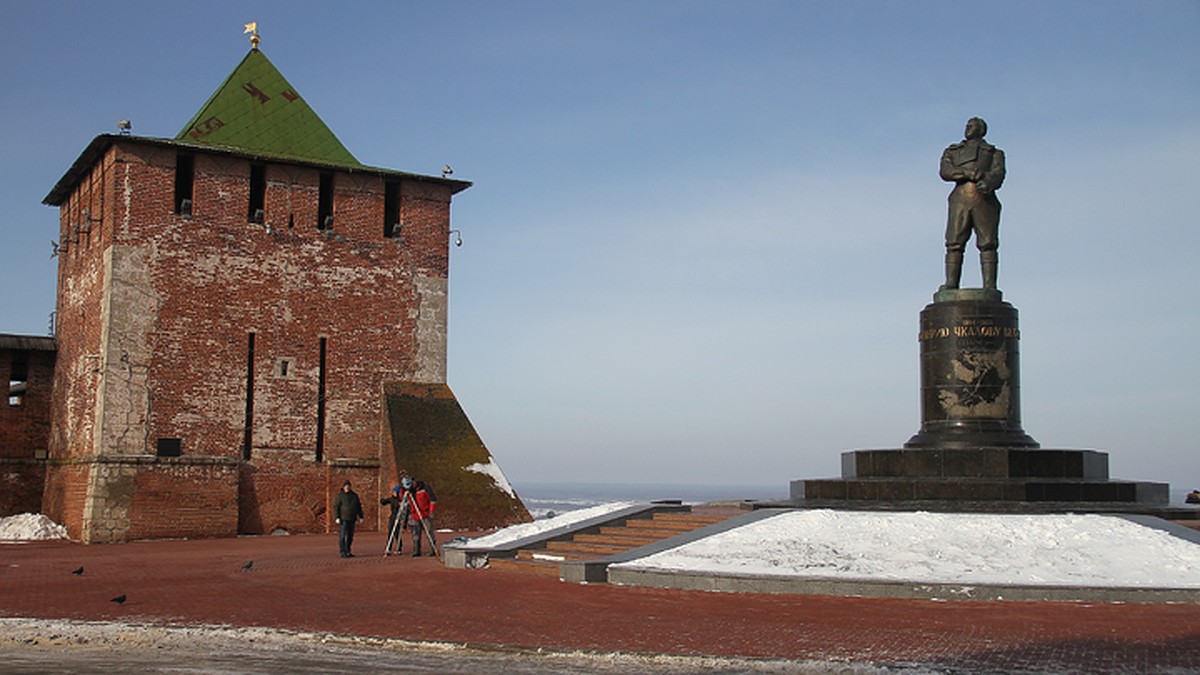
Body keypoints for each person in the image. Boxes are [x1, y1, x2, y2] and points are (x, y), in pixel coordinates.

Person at [939, 117, 1006, 291]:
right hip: (960, 199)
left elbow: (998, 173)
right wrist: (965, 172)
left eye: (972, 126)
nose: (968, 128)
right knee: (954, 242)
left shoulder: (994, 153)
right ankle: (951, 284)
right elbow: (945, 171)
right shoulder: (953, 151)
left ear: (982, 130)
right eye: (967, 125)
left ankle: (990, 286)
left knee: (988, 242)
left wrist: (988, 182)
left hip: (984, 199)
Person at [405, 479, 438, 556]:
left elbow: (433, 499)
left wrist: (431, 511)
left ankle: (432, 549)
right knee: (415, 533)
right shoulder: (410, 492)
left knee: (429, 531)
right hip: (414, 515)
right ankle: (416, 550)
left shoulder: (425, 488)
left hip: (425, 514)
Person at [332, 480, 364, 558]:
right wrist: (337, 517)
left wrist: (361, 516)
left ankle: (348, 550)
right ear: (343, 487)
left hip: (352, 518)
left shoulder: (354, 496)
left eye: (348, 486)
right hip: (343, 518)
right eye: (346, 486)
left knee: (350, 536)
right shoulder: (340, 496)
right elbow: (336, 507)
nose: (347, 487)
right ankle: (343, 551)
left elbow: (358, 506)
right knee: (342, 536)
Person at [380, 484, 409, 555]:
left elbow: (406, 510)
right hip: (393, 517)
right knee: (390, 532)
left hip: (399, 517)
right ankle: (388, 548)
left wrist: (404, 523)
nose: (394, 493)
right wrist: (382, 500)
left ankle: (399, 548)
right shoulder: (392, 499)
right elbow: (384, 502)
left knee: (397, 533)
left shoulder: (402, 500)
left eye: (396, 492)